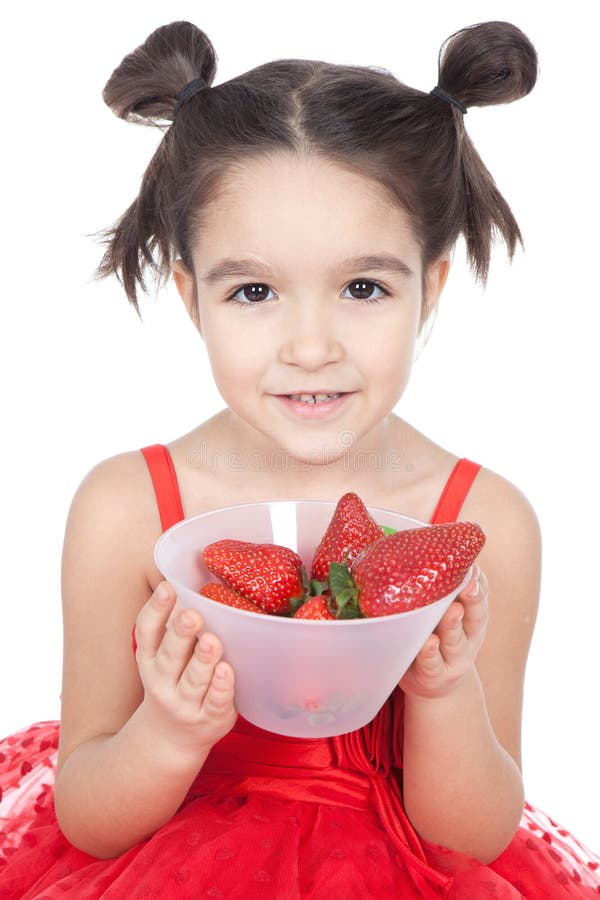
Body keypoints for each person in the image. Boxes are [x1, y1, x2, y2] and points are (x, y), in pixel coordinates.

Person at [1, 17, 598, 899]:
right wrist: (166, 733)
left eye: (363, 288)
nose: (310, 346)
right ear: (191, 297)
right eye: (253, 291)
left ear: (429, 285)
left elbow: (475, 834)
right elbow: (88, 819)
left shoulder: (481, 522)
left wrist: (442, 696)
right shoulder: (127, 508)